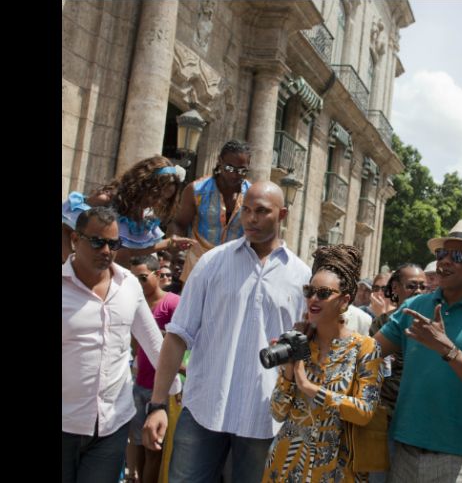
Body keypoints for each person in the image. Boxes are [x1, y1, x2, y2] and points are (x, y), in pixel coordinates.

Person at [142, 181, 311, 483]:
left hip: (264, 417)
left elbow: (305, 351)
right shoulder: (212, 263)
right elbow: (177, 335)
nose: (251, 219)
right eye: (246, 210)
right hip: (203, 409)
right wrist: (157, 404)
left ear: (282, 214)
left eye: (262, 211)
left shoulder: (302, 277)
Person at [374, 220, 462, 482]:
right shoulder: (415, 307)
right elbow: (369, 351)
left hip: (459, 458)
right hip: (404, 449)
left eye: (457, 256)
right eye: (442, 254)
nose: (445, 262)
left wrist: (448, 349)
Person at [62, 207, 182, 483]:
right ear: (75, 240)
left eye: (114, 244)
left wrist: (167, 395)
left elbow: (154, 342)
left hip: (112, 425)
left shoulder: (128, 285)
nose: (106, 250)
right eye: (97, 241)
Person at [262, 245, 384, 482]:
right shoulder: (299, 341)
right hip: (287, 466)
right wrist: (289, 369)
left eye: (323, 293)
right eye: (309, 291)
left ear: (345, 300)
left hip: (337, 470)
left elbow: (364, 412)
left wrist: (309, 387)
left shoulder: (365, 348)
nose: (313, 299)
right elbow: (278, 412)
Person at [62, 155, 196, 266]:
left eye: (165, 199)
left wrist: (170, 242)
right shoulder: (105, 200)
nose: (158, 202)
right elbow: (64, 228)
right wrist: (72, 267)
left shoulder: (143, 217)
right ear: (142, 184)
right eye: (156, 195)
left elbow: (131, 250)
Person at [368, 263, 428, 483]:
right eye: (412, 286)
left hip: (421, 422)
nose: (419, 291)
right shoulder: (382, 324)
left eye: (424, 286)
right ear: (396, 287)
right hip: (386, 418)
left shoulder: (435, 325)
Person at [127, 255, 182, 483]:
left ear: (158, 275)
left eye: (142, 278)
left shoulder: (173, 303)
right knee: (138, 446)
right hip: (138, 385)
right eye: (133, 278)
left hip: (161, 391)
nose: (137, 284)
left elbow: (182, 343)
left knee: (154, 450)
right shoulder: (131, 302)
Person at [170, 140, 253, 282]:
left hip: (234, 269)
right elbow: (179, 223)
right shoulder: (196, 190)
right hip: (198, 266)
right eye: (230, 168)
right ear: (220, 161)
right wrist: (176, 247)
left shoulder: (252, 195)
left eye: (241, 171)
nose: (234, 175)